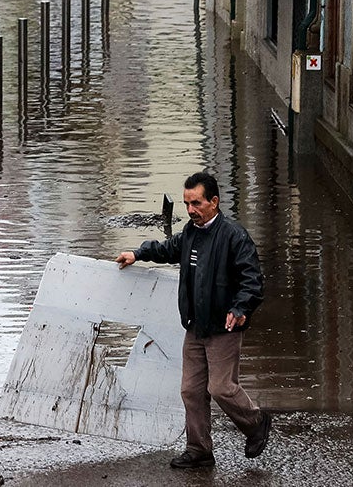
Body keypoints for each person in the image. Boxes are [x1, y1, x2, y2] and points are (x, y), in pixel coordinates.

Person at [115, 171, 270, 470]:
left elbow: (253, 282)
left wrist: (240, 310)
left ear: (214, 202)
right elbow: (167, 249)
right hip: (195, 327)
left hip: (224, 328)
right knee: (190, 390)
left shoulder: (234, 237)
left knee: (222, 388)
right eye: (187, 203)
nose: (190, 210)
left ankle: (256, 422)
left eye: (196, 203)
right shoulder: (190, 233)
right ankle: (199, 450)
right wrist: (137, 253)